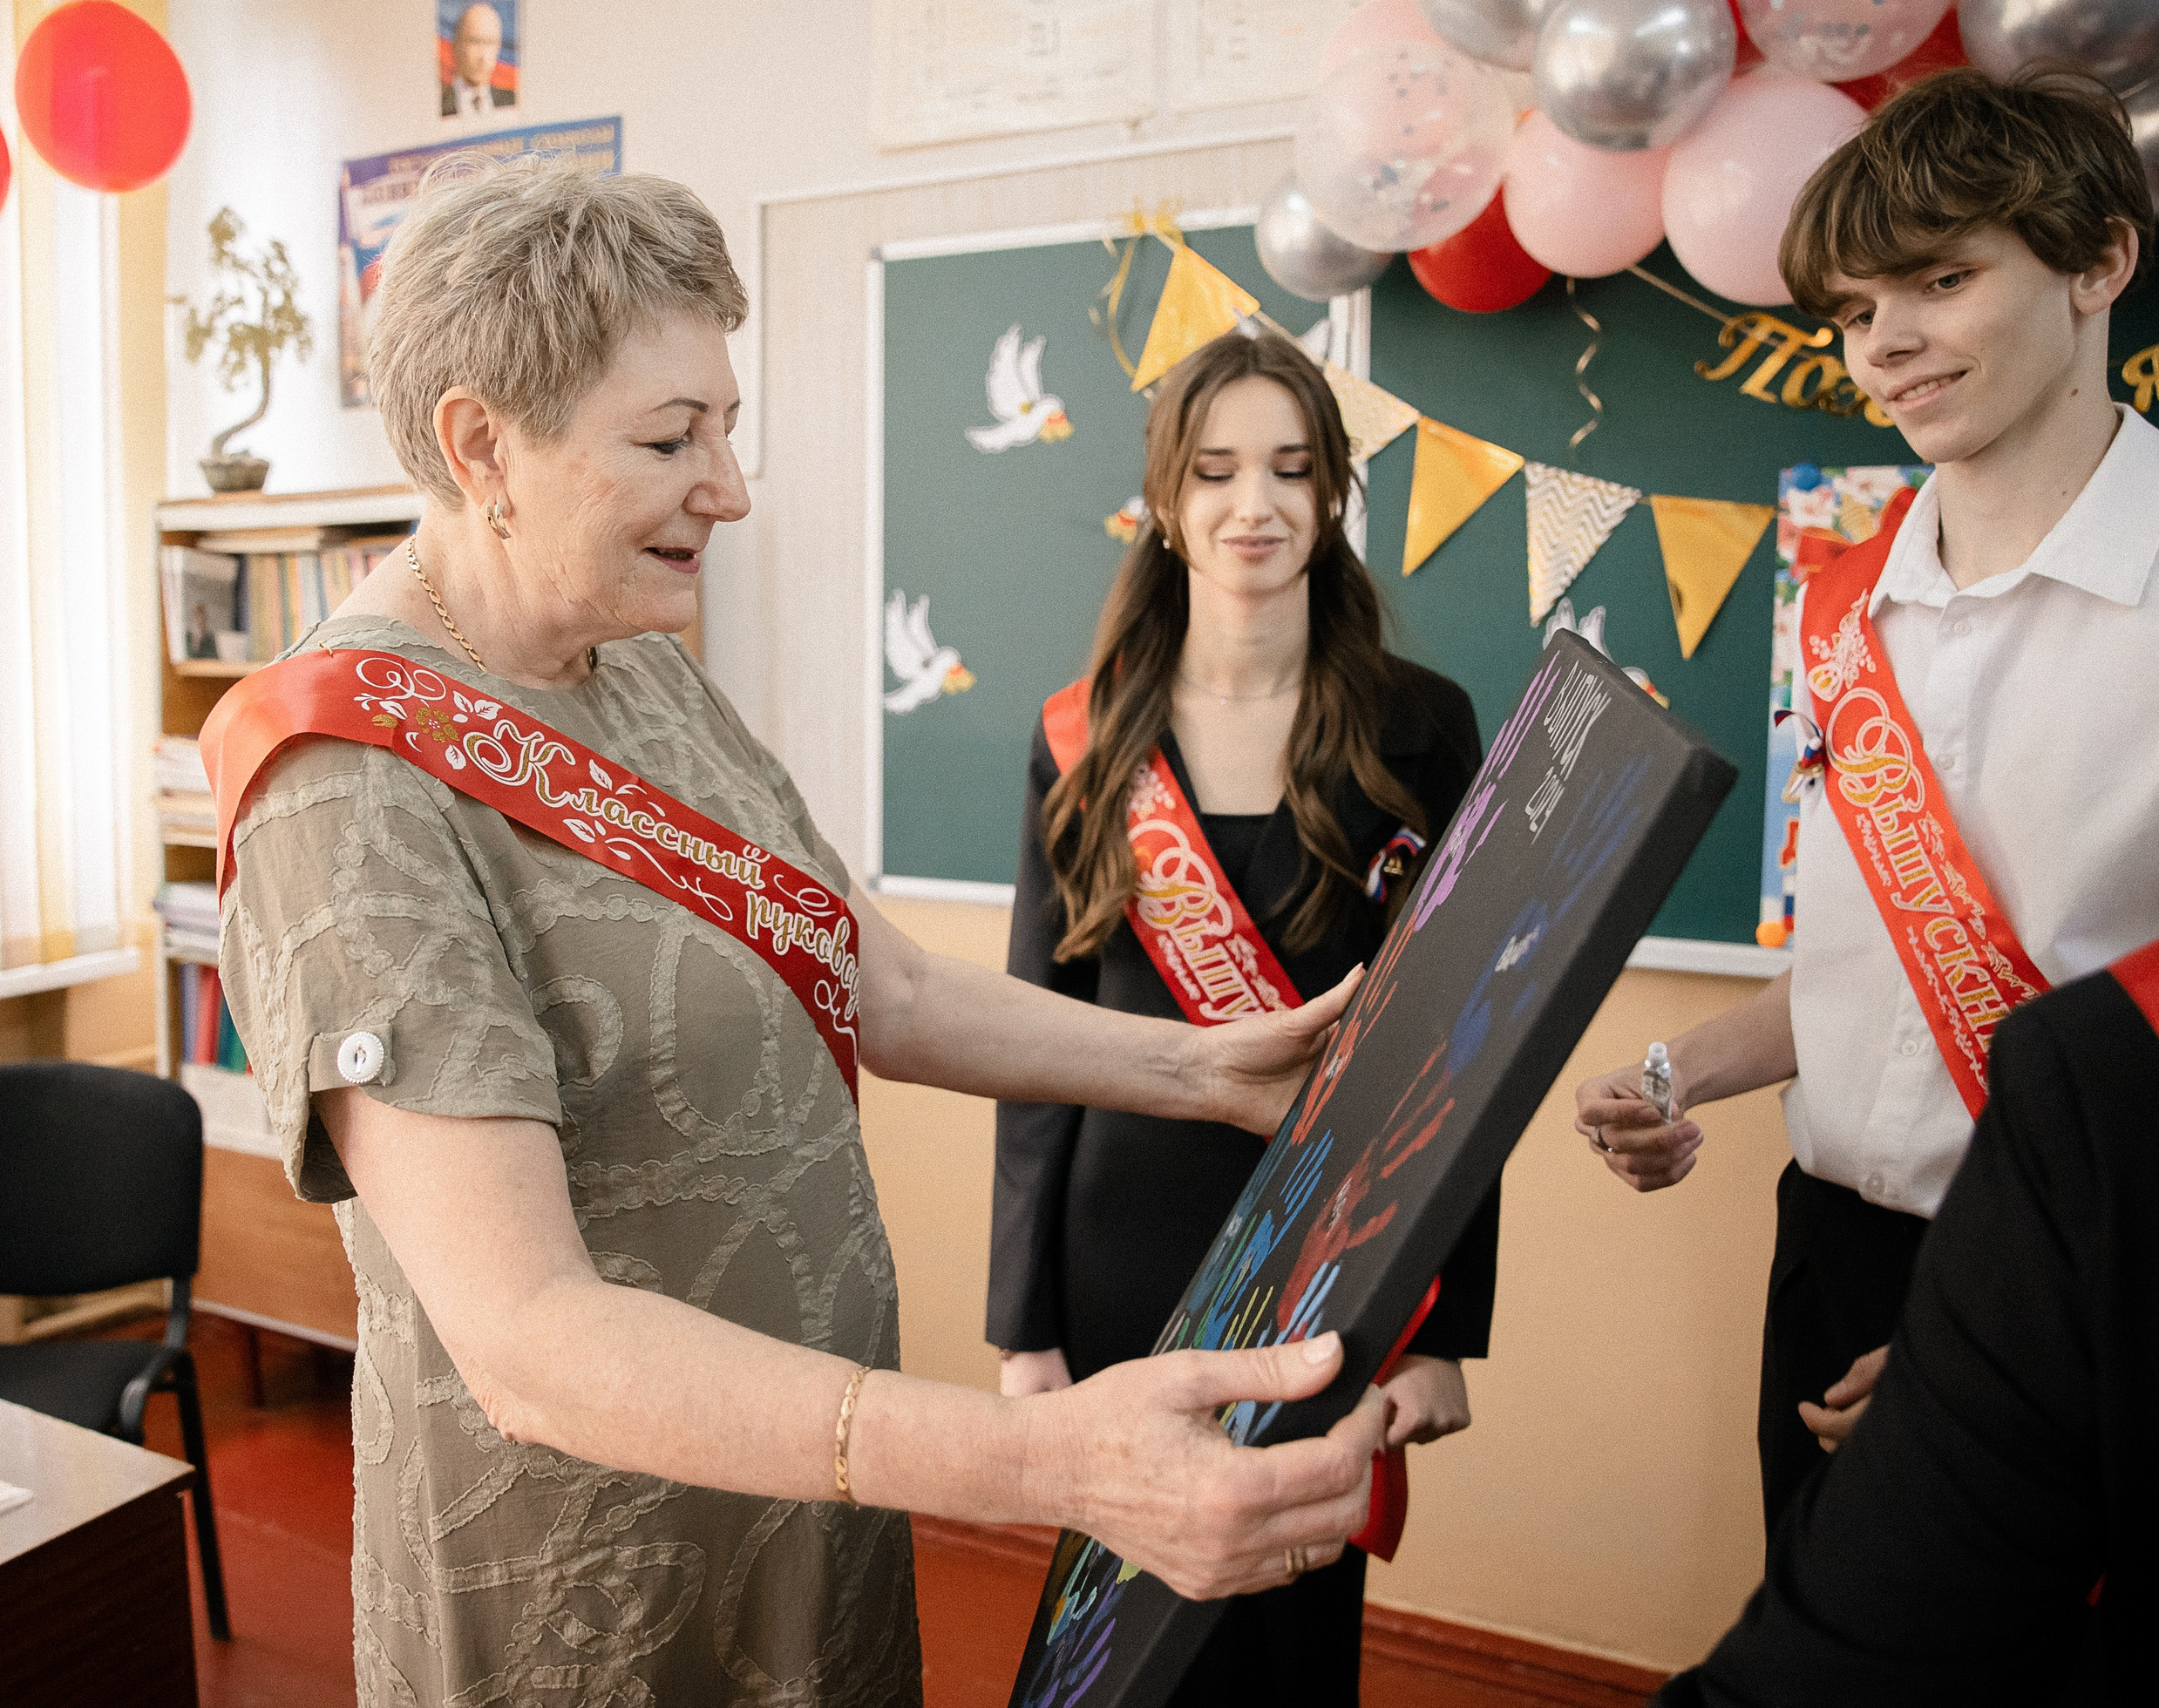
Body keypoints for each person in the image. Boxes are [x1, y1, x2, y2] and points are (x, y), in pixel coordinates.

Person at [207, 160, 1389, 1708]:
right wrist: (1037, 1458)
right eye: (669, 438)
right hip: (595, 1577)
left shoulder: (637, 664)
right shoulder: (344, 785)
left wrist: (1205, 1070)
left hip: (808, 1507)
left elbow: (871, 977)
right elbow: (532, 1338)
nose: (732, 488)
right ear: (481, 444)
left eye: (729, 426)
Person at [1571, 67, 2159, 1536]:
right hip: (1835, 1260)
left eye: (1942, 278)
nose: (1892, 344)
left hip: (2111, 1296)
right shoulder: (1845, 607)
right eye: (1858, 310)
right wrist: (1680, 1071)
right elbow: (1889, 973)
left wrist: (2044, 1319)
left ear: (2097, 259)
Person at [988, 329, 1501, 1705]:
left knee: (1288, 1626)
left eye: (1289, 468)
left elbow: (1466, 1039)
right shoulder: (1079, 735)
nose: (1252, 505)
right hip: (1119, 1245)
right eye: (1214, 472)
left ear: (1334, 492)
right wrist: (1022, 1323)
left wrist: (1451, 1327)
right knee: (1120, 1632)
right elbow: (1039, 1037)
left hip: (1331, 1246)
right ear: (1165, 502)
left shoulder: (1422, 726)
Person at [1655, 904, 2159, 1705]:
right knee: (1827, 1610)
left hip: (2077, 1289)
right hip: (1831, 1250)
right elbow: (1851, 972)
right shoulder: (1869, 774)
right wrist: (1670, 1071)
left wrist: (1981, 1345)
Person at [442, 0, 514, 119]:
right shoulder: (440, 107)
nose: (483, 57)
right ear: (456, 46)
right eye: (475, 42)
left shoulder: (512, 101)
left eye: (490, 43)